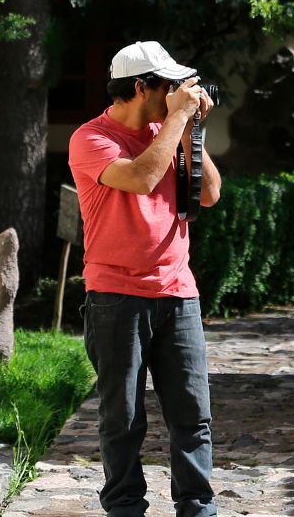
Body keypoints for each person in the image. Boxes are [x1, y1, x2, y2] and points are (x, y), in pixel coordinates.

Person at [67, 40, 223, 517]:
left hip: (179, 292)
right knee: (123, 418)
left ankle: (198, 510)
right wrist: (176, 122)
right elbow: (140, 177)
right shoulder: (92, 139)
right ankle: (125, 510)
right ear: (141, 87)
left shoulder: (168, 129)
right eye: (170, 85)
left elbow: (211, 195)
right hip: (116, 296)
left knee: (193, 417)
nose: (179, 93)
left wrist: (191, 131)